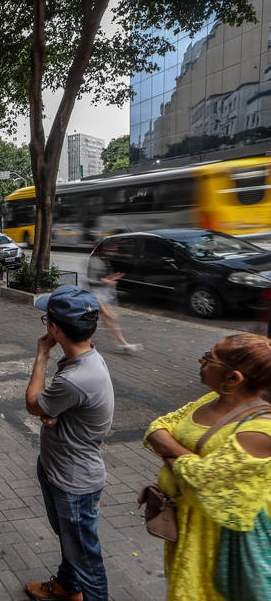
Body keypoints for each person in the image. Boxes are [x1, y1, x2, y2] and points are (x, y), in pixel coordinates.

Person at [143, 333, 271, 601]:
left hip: (216, 542)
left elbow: (199, 480)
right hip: (185, 525)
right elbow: (157, 427)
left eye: (209, 358)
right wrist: (183, 459)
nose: (201, 360)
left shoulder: (262, 429)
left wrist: (169, 452)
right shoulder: (209, 400)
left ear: (234, 378)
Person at [24, 285, 113, 601]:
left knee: (86, 559)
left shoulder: (76, 377)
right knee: (72, 543)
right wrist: (54, 413)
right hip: (59, 469)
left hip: (74, 483)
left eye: (47, 318)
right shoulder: (84, 360)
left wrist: (41, 354)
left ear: (54, 328)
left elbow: (34, 404)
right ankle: (66, 587)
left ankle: (83, 591)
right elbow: (53, 409)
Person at [86, 244, 141, 353]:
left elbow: (102, 278)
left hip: (103, 296)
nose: (111, 252)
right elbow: (90, 280)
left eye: (112, 250)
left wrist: (110, 278)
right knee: (109, 318)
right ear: (101, 250)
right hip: (96, 296)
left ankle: (124, 344)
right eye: (108, 249)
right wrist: (104, 281)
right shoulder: (94, 261)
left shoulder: (105, 260)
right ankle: (124, 344)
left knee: (107, 320)